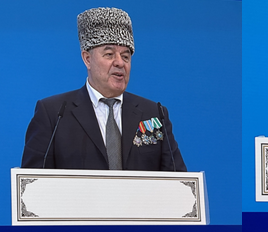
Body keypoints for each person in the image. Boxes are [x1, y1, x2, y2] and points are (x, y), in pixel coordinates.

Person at [22, 7, 186, 171]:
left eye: (126, 56)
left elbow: (178, 182)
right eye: (109, 54)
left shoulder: (154, 113)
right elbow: (33, 186)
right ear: (87, 59)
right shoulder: (54, 114)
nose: (120, 63)